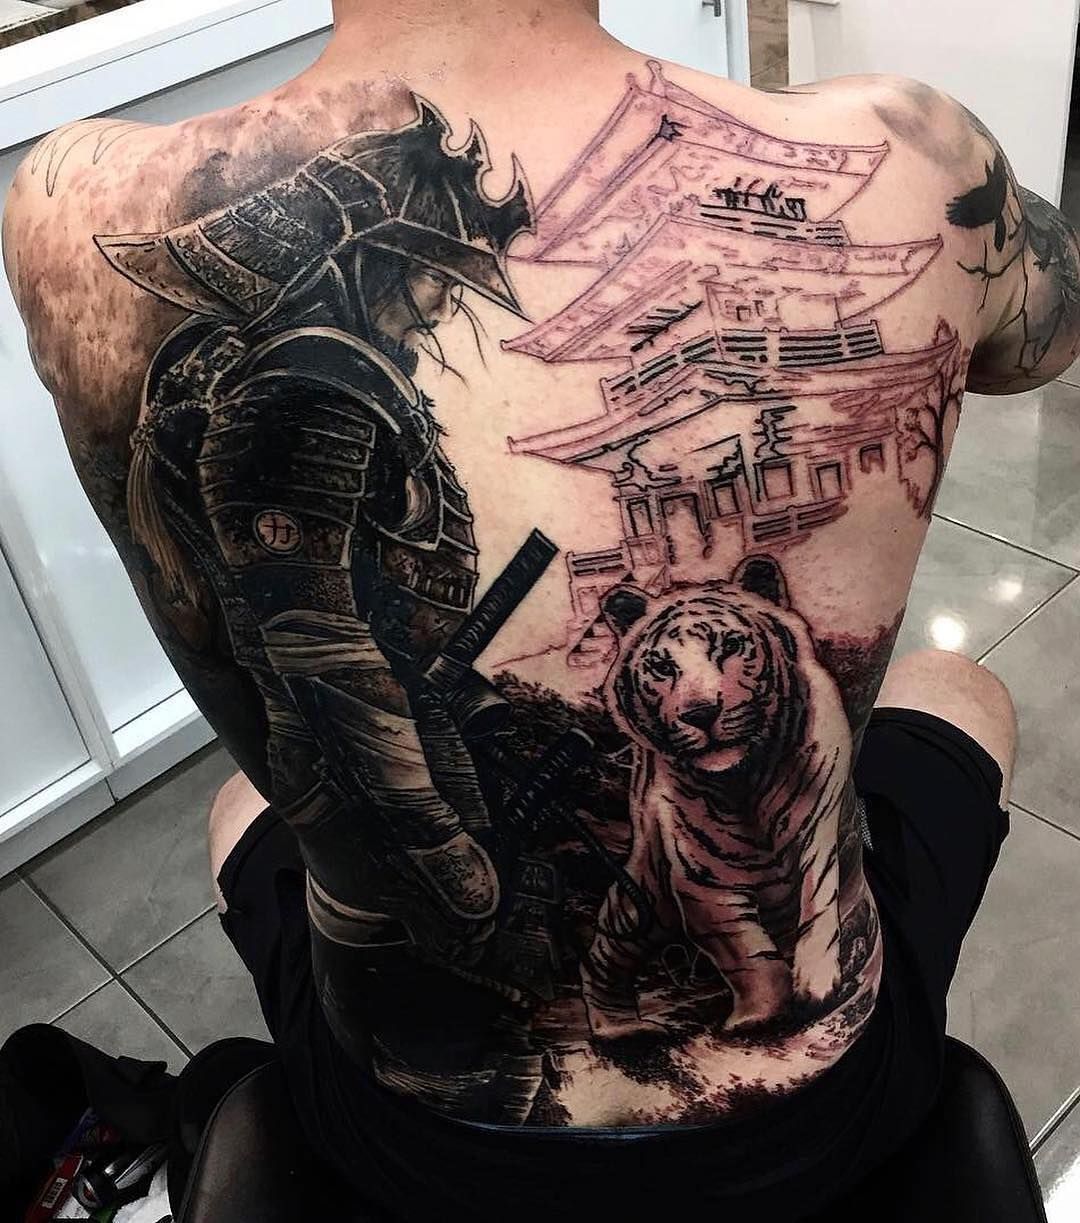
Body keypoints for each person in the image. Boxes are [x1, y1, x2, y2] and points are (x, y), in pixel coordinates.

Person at [4, 0, 1075, 1215]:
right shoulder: (917, 148)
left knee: (239, 802)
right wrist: (455, 868)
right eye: (429, 275)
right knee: (957, 688)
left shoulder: (59, 203)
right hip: (804, 1108)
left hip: (401, 1125)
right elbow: (1043, 338)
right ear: (365, 262)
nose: (436, 304)